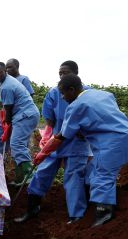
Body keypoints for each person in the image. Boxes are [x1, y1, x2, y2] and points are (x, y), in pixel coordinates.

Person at [34, 74, 128, 227]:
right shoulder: (104, 94)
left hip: (112, 143)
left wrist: (43, 153)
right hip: (124, 133)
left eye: (64, 93)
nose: (63, 98)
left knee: (102, 175)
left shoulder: (76, 106)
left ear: (72, 90)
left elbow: (62, 136)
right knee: (92, 170)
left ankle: (103, 215)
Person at [14, 61, 92, 224]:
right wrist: (47, 137)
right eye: (60, 73)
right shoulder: (54, 92)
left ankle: (76, 215)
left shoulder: (87, 93)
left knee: (73, 177)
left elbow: (92, 118)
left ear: (76, 74)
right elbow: (49, 119)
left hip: (77, 142)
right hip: (56, 140)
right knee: (42, 172)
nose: (62, 76)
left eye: (66, 73)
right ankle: (32, 208)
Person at [0, 62, 40, 185]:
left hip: (25, 115)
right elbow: (3, 108)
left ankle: (29, 176)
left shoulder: (8, 85)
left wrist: (6, 124)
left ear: (5, 72)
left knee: (16, 144)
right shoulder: (4, 83)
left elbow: (8, 109)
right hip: (14, 115)